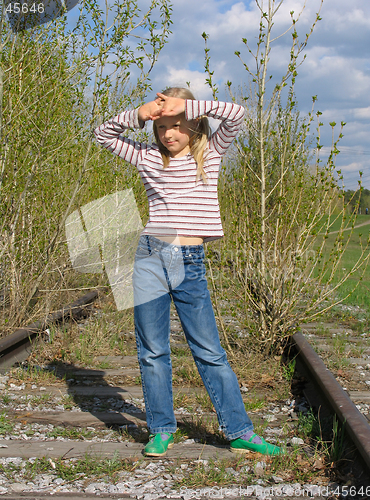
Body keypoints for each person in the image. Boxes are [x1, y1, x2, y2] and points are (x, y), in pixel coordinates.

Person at [94, 87, 284, 457]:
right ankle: (162, 429)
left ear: (195, 125)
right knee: (152, 350)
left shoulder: (210, 153)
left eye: (178, 124)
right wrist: (141, 112)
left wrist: (186, 105)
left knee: (209, 349)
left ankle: (239, 430)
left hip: (190, 260)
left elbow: (238, 114)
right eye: (162, 126)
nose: (169, 133)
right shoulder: (146, 156)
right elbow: (103, 134)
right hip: (149, 256)